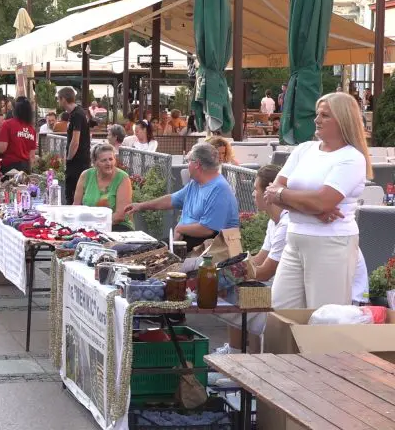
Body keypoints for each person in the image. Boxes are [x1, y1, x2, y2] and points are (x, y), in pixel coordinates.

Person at [263, 92, 371, 309]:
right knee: (280, 312)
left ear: (343, 120)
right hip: (294, 240)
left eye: (325, 115)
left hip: (331, 243)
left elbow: (322, 201)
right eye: (317, 114)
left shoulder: (352, 158)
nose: (316, 119)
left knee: (325, 318)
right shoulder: (304, 150)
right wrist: (313, 209)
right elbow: (271, 192)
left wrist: (287, 196)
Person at [125, 142, 239, 252]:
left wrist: (180, 229)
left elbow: (208, 229)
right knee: (135, 249)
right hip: (186, 241)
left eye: (189, 161)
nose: (187, 165)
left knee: (146, 254)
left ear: (197, 164)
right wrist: (140, 206)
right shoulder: (196, 183)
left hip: (207, 250)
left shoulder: (219, 189)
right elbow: (171, 200)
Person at [74, 144, 133, 231]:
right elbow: (76, 206)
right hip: (88, 226)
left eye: (111, 159)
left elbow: (120, 215)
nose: (108, 163)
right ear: (95, 162)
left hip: (117, 226)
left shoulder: (123, 178)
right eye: (104, 160)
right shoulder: (86, 175)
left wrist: (96, 226)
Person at [57, 87, 91, 205]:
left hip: (77, 161)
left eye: (58, 99)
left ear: (64, 99)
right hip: (80, 160)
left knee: (72, 194)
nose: (58, 102)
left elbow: (75, 140)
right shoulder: (77, 113)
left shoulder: (77, 115)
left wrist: (69, 158)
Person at [0, 96, 37, 174]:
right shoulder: (32, 130)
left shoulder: (7, 124)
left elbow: (2, 148)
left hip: (9, 168)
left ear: (16, 110)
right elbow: (32, 156)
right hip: (25, 168)